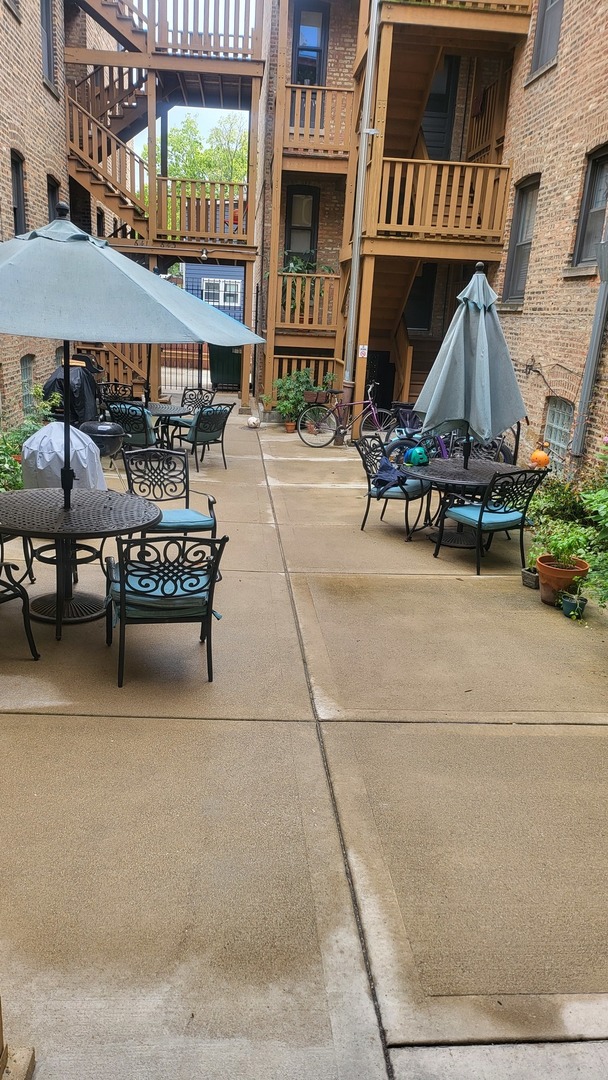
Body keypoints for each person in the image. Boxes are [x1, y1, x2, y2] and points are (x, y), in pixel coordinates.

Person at [42, 353, 103, 426]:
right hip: (71, 412)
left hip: (59, 409)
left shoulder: (62, 372)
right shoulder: (82, 373)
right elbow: (86, 399)